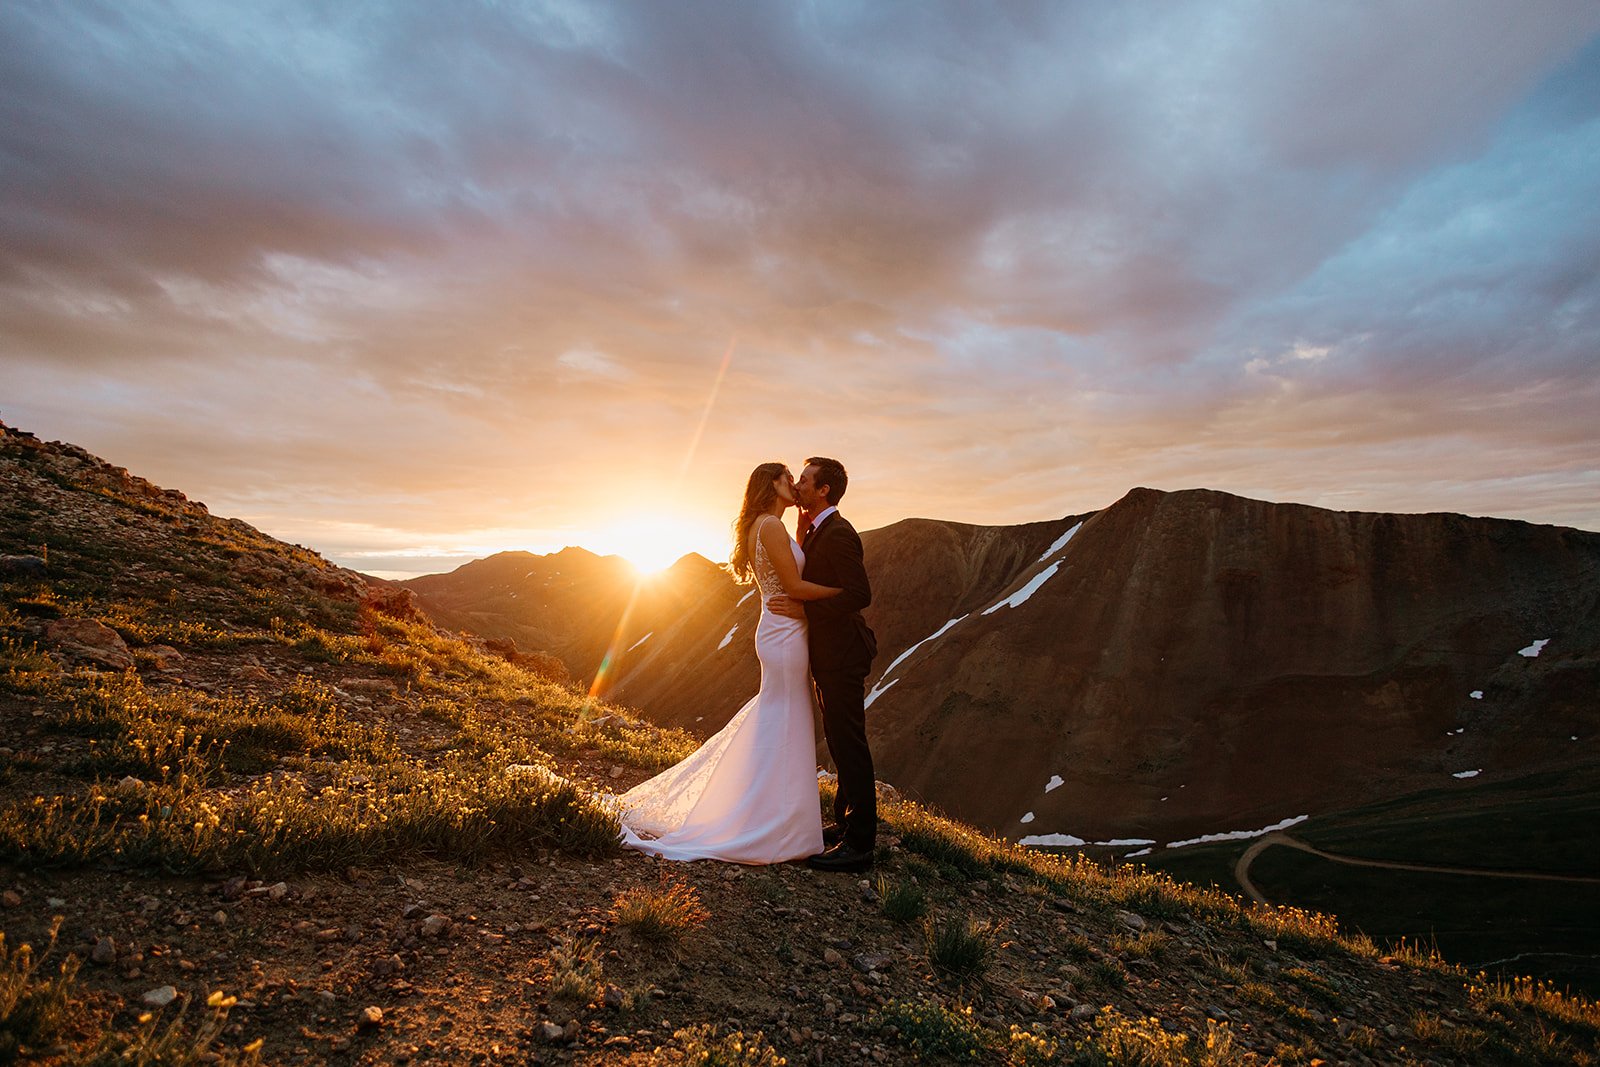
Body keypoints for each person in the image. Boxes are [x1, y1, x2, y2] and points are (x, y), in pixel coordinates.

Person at [613, 462, 840, 863]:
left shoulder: (770, 525)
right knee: (788, 715)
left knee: (780, 714)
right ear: (771, 483)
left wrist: (803, 527)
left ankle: (772, 816)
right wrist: (842, 593)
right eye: (787, 477)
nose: (794, 483)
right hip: (786, 631)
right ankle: (776, 824)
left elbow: (791, 571)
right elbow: (793, 587)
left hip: (779, 628)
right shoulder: (770, 527)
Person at [768, 456, 878, 873]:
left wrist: (806, 611)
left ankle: (861, 845)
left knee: (849, 743)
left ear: (824, 490)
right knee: (837, 737)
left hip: (843, 653)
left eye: (805, 480)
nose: (798, 485)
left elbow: (858, 594)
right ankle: (845, 823)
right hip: (829, 653)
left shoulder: (838, 533)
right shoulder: (815, 528)